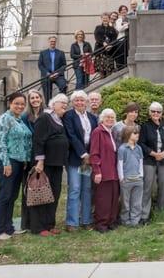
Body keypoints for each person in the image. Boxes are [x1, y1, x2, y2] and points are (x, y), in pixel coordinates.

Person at [0, 92, 32, 240]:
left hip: (19, 163)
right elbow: (1, 142)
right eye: (17, 103)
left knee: (12, 196)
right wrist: (6, 163)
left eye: (22, 104)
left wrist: (25, 160)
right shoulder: (5, 118)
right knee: (4, 196)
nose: (20, 106)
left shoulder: (19, 120)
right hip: (7, 161)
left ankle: (9, 227)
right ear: (10, 103)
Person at [30, 94, 69, 236]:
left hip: (57, 163)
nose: (65, 105)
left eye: (66, 103)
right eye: (62, 102)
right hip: (46, 163)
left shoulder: (59, 119)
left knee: (54, 193)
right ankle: (38, 227)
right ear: (53, 104)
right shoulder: (45, 117)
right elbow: (38, 140)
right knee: (42, 193)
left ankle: (50, 224)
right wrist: (40, 161)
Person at [62, 90, 98, 232]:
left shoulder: (92, 117)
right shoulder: (68, 116)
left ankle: (86, 219)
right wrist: (83, 154)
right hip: (75, 159)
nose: (79, 102)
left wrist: (91, 155)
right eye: (76, 100)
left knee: (86, 189)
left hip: (88, 160)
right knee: (75, 189)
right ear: (72, 102)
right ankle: (72, 222)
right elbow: (71, 136)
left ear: (86, 102)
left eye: (82, 100)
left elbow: (95, 137)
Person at [139, 102, 164, 221]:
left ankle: (161, 213)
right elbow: (141, 143)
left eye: (158, 111)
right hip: (149, 160)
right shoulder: (145, 126)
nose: (155, 113)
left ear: (161, 113)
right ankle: (144, 215)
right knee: (147, 187)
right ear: (149, 113)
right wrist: (154, 154)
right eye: (153, 111)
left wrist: (163, 153)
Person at [90, 108, 120, 233]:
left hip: (113, 171)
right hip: (103, 171)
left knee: (113, 198)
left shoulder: (111, 132)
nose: (110, 119)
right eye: (107, 117)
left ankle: (111, 222)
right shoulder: (98, 131)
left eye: (112, 117)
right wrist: (97, 171)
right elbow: (94, 153)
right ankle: (101, 224)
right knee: (103, 199)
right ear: (102, 118)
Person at [21, 89, 46, 231]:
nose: (35, 100)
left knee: (42, 187)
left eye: (37, 97)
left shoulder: (46, 115)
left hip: (44, 156)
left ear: (41, 99)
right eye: (32, 98)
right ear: (29, 101)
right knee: (29, 188)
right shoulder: (25, 117)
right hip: (30, 156)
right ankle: (28, 222)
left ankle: (42, 221)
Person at [117, 125, 144, 227]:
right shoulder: (122, 149)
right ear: (128, 134)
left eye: (138, 133)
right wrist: (121, 178)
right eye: (135, 133)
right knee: (125, 202)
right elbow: (120, 163)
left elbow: (140, 162)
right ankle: (125, 220)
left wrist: (141, 175)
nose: (137, 135)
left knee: (137, 201)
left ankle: (135, 220)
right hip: (127, 180)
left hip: (138, 179)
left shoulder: (139, 148)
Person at [38, 36, 67, 101]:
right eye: (51, 41)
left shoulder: (61, 53)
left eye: (54, 41)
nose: (53, 43)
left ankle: (61, 101)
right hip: (47, 76)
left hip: (58, 75)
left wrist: (58, 73)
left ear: (56, 42)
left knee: (63, 85)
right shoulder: (43, 53)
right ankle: (48, 105)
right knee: (47, 91)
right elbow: (40, 65)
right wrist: (48, 73)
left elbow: (64, 65)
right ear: (49, 42)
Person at [94, 13, 118, 77]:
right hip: (100, 52)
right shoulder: (98, 27)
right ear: (101, 19)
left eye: (106, 18)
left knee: (109, 71)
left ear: (109, 19)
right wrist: (103, 43)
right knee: (101, 72)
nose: (105, 19)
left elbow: (114, 38)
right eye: (103, 18)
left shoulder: (112, 29)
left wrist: (110, 45)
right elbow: (97, 37)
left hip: (109, 52)